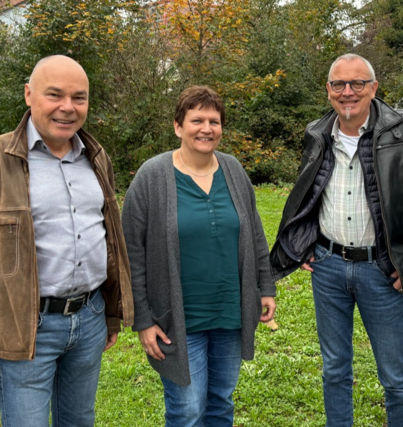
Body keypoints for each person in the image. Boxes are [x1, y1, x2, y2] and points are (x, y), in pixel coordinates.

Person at [270, 53, 403, 426]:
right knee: (334, 369)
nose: (347, 92)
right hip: (328, 269)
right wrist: (303, 240)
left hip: (382, 270)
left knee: (394, 378)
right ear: (328, 90)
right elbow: (308, 192)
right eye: (339, 84)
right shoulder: (316, 132)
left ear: (374, 88)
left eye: (357, 84)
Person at [0, 55, 133, 426]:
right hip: (23, 329)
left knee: (79, 420)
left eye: (79, 98)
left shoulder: (97, 159)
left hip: (89, 319)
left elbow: (109, 245)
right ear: (28, 95)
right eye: (55, 95)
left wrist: (111, 316)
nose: (68, 107)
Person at [122, 85, 276, 426]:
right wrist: (142, 319)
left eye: (214, 121)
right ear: (178, 126)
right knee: (187, 410)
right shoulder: (152, 176)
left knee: (220, 403)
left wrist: (265, 286)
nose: (207, 128)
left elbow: (254, 231)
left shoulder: (233, 171)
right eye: (197, 120)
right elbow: (130, 250)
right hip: (177, 318)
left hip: (229, 313)